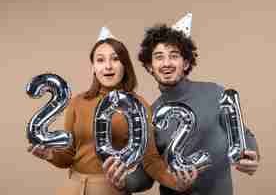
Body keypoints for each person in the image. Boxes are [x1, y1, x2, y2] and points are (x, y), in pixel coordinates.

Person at [27, 31, 196, 195]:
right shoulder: (78, 102)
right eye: (100, 60)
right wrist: (50, 154)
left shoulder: (138, 105)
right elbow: (69, 155)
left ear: (125, 65)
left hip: (111, 189)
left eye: (115, 59)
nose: (108, 66)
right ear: (93, 67)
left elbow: (151, 160)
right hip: (73, 187)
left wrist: (176, 183)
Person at [121, 23, 261, 195]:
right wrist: (121, 181)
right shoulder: (149, 116)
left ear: (186, 63)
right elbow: (146, 176)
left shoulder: (215, 93)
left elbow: (242, 135)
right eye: (159, 57)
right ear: (150, 66)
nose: (166, 63)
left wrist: (251, 155)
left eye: (174, 56)